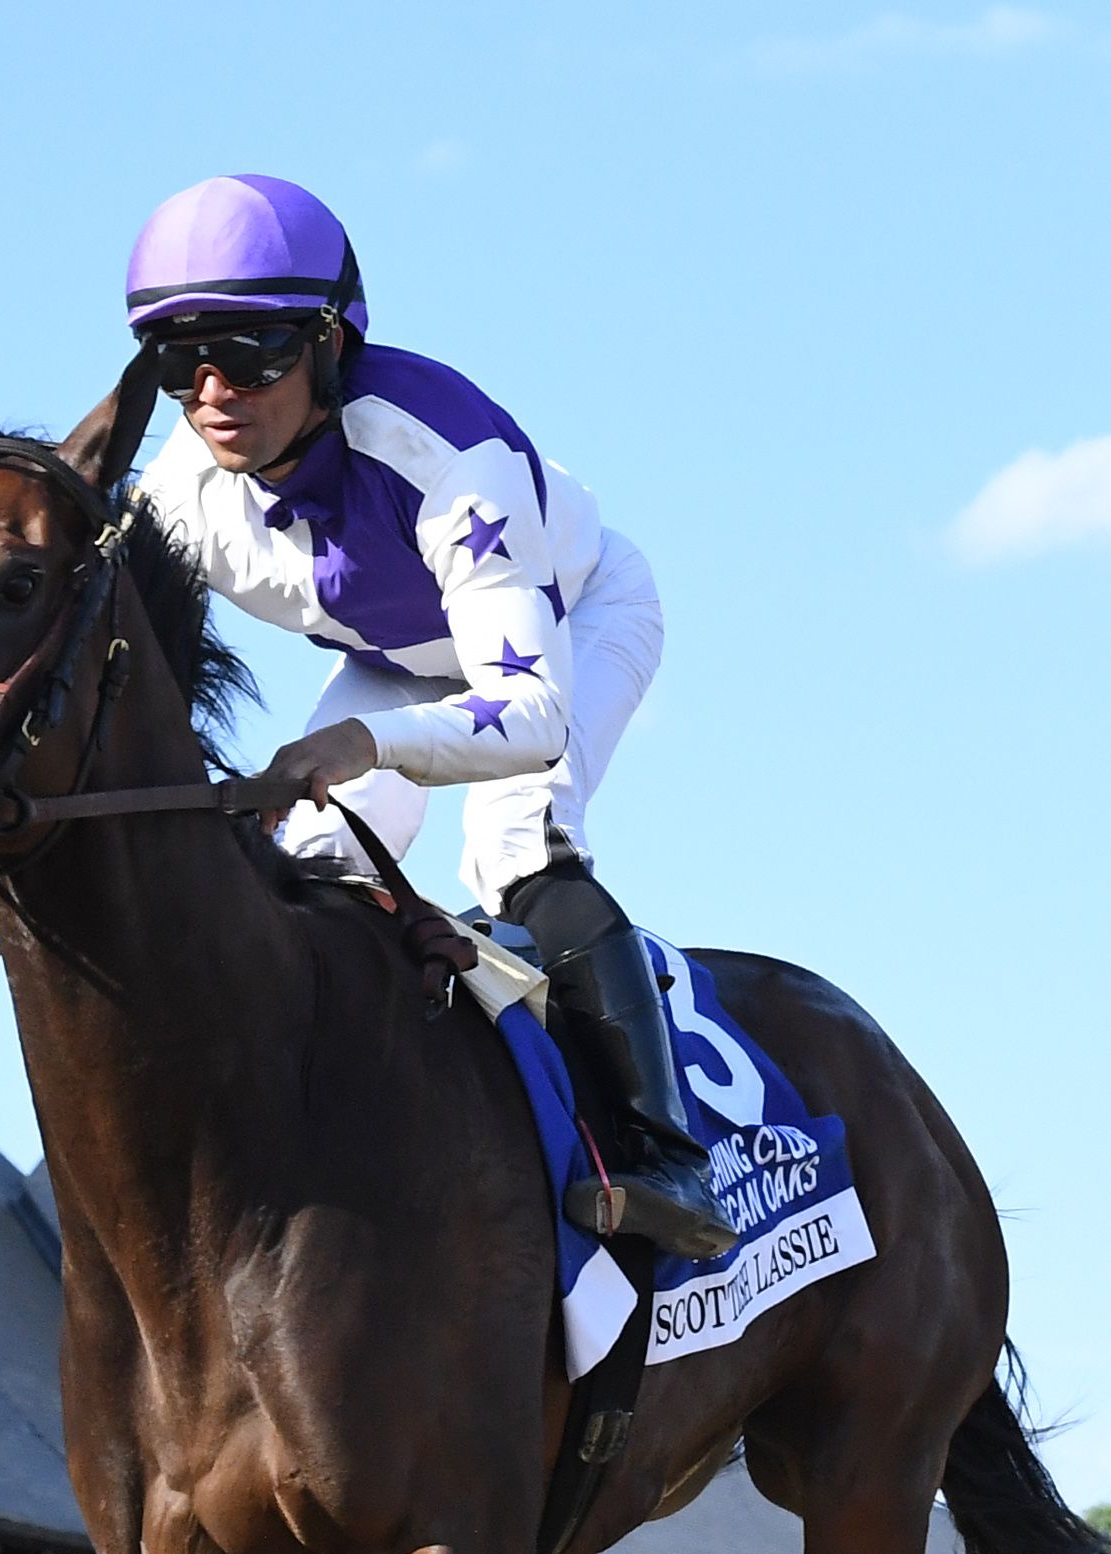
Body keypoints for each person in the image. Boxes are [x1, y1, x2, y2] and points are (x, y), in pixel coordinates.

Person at [125, 173, 739, 1261]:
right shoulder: (180, 494)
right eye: (181, 362)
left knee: (514, 847)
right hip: (398, 657)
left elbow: (532, 715)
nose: (215, 392)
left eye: (251, 355)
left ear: (328, 344)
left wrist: (359, 742)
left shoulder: (447, 458)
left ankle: (664, 1154)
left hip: (570, 626)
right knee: (310, 865)